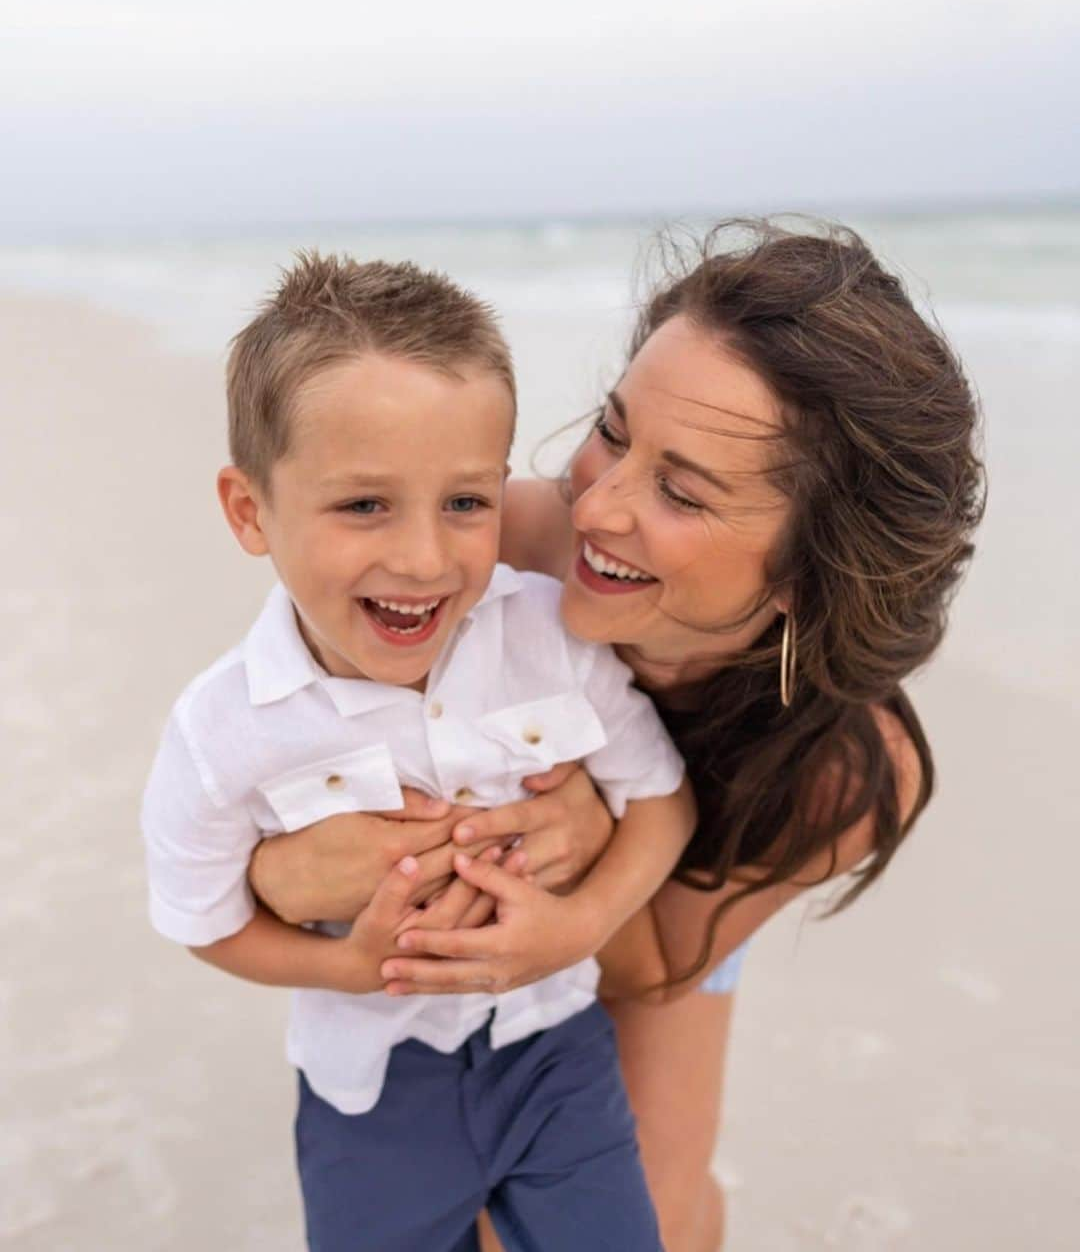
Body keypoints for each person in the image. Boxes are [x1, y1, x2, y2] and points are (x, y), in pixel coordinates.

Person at [248, 220, 985, 1251]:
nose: (598, 503)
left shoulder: (843, 773)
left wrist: (600, 833)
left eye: (680, 490)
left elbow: (647, 967)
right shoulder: (498, 542)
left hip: (679, 902)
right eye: (614, 428)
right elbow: (277, 717)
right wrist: (284, 872)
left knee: (660, 1218)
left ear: (805, 578)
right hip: (481, 868)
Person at [140, 252, 698, 1252]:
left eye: (466, 502)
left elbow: (662, 800)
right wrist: (348, 964)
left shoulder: (547, 636)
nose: (426, 558)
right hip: (369, 1084)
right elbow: (205, 919)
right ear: (249, 510)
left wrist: (574, 928)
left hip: (555, 1052)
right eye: (364, 504)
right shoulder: (220, 728)